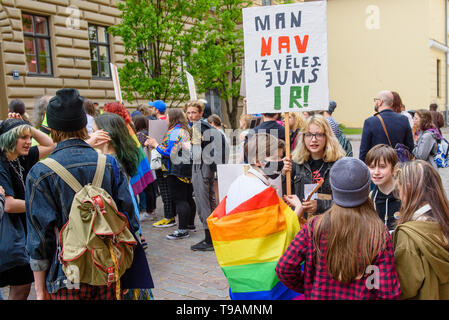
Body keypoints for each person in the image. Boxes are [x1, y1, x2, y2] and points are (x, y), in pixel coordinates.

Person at [25, 88, 138, 300]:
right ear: (82, 126)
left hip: (67, 273)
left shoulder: (41, 172)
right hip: (108, 267)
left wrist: (41, 290)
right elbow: (129, 220)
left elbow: (40, 238)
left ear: (53, 128)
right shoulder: (109, 164)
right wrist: (129, 273)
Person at [276, 157, 401, 300]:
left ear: (334, 188)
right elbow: (387, 292)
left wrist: (308, 285)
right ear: (367, 188)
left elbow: (284, 267)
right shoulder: (378, 233)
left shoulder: (314, 227)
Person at [207, 133, 301, 300]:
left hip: (242, 269)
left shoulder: (240, 181)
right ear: (259, 161)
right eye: (277, 157)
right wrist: (298, 209)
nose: (281, 162)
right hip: (262, 274)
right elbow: (282, 233)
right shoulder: (263, 192)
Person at [92, 112, 154, 299]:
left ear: (105, 135)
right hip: (128, 226)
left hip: (121, 229)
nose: (91, 135)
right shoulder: (117, 157)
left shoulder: (110, 162)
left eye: (93, 131)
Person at [0, 117, 55, 300]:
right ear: (9, 138)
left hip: (20, 236)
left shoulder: (20, 158)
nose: (29, 141)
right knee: (20, 285)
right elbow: (8, 205)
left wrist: (28, 127)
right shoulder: (1, 162)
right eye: (23, 137)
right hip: (7, 235)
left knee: (22, 286)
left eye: (29, 137)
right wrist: (40, 205)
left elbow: (51, 145)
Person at [393, 160, 449, 299]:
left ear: (408, 188)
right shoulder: (444, 220)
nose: (399, 196)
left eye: (399, 190)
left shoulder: (408, 235)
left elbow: (406, 287)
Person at [145, 108, 195, 240]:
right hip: (185, 168)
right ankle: (189, 225)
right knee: (187, 198)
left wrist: (155, 144)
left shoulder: (174, 132)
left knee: (180, 200)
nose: (165, 119)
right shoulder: (184, 130)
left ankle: (182, 230)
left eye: (167, 116)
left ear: (172, 118)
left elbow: (169, 152)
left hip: (176, 169)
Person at [186, 100, 229, 251]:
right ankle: (214, 236)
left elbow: (195, 152)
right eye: (189, 112)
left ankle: (209, 240)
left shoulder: (197, 127)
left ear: (200, 113)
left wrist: (186, 148)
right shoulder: (206, 126)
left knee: (203, 202)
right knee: (210, 200)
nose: (191, 115)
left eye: (194, 112)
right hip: (209, 167)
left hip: (201, 167)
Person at [285, 115, 345, 220]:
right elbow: (286, 195)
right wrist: (284, 173)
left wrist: (320, 205)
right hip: (303, 225)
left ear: (327, 137)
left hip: (329, 224)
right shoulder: (296, 162)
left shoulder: (339, 164)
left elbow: (346, 200)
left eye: (319, 135)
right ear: (303, 138)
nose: (313, 140)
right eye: (309, 135)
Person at [359, 90, 414, 162]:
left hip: (378, 165)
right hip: (398, 165)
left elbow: (364, 152)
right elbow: (410, 147)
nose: (375, 102)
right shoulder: (403, 120)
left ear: (380, 102)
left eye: (376, 100)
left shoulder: (370, 122)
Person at [365, 144, 401, 231]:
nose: (376, 172)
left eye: (382, 167)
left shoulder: (404, 196)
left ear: (394, 168)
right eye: (372, 167)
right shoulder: (370, 198)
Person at [133, 115, 157, 220]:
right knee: (152, 188)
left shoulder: (139, 135)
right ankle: (152, 209)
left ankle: (149, 210)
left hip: (145, 163)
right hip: (151, 163)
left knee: (148, 189)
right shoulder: (148, 133)